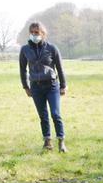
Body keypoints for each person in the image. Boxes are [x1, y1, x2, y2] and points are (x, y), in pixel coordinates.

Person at [19, 22, 68, 152]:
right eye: (32, 32)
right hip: (36, 87)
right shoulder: (25, 50)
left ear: (43, 34)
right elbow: (23, 70)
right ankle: (47, 141)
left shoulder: (52, 48)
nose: (34, 35)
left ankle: (61, 142)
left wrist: (63, 85)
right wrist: (26, 87)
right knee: (43, 115)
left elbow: (60, 68)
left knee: (55, 114)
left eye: (37, 32)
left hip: (52, 86)